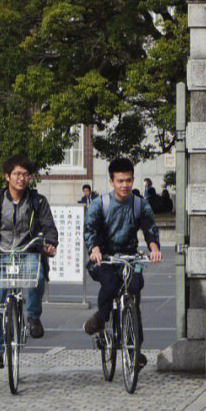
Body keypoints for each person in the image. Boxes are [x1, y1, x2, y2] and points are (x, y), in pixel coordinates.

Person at [0, 155, 59, 369]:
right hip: (1, 254)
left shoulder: (38, 201)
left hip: (28, 251)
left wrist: (50, 242)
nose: (21, 178)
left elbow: (49, 227)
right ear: (7, 176)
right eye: (17, 174)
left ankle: (33, 317)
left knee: (37, 277)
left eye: (26, 174)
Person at [81, 158, 162, 368]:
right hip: (105, 258)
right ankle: (101, 317)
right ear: (111, 182)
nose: (124, 185)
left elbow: (150, 227)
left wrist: (154, 247)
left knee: (134, 290)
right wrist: (95, 248)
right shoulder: (101, 204)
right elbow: (90, 229)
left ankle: (135, 347)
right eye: (120, 181)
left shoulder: (140, 204)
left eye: (128, 180)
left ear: (133, 180)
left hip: (130, 257)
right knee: (110, 285)